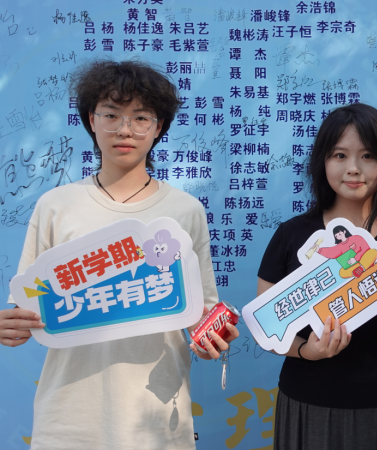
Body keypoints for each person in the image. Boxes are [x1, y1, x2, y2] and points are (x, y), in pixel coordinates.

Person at [0, 59, 238, 450]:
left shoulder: (185, 210)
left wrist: (212, 339)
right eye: (111, 115)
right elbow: (27, 306)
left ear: (158, 127)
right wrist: (12, 325)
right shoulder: (56, 206)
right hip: (68, 420)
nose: (124, 130)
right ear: (91, 120)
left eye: (140, 118)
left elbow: (202, 315)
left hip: (155, 419)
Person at [257, 103, 377, 450]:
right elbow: (267, 329)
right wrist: (307, 351)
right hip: (309, 405)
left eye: (368, 156)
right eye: (340, 155)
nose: (353, 168)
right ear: (323, 161)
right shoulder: (291, 236)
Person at [313, 224, 377, 278]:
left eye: (339, 234)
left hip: (364, 261)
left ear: (344, 231)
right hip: (355, 266)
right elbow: (331, 252)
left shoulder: (356, 238)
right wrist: (318, 250)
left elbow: (366, 248)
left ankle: (362, 268)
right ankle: (360, 270)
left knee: (373, 251)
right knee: (341, 272)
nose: (338, 236)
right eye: (336, 236)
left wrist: (355, 259)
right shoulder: (340, 246)